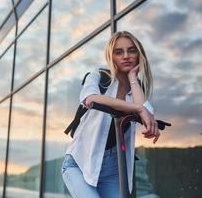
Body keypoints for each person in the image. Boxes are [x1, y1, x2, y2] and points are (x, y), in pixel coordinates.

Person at [61, 31, 159, 198]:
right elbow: (89, 99)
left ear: (139, 54)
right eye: (119, 52)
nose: (126, 56)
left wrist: (133, 77)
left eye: (132, 50)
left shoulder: (137, 87)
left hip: (113, 168)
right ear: (111, 56)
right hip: (79, 163)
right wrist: (138, 109)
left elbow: (146, 114)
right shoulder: (99, 76)